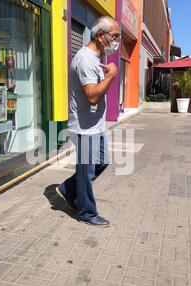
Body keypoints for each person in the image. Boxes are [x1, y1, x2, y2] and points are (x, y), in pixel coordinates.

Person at [56, 16, 120, 227]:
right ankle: (87, 212)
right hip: (84, 127)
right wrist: (111, 76)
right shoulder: (85, 59)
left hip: (95, 125)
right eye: (115, 36)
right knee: (86, 171)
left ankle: (68, 188)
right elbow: (92, 95)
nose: (117, 40)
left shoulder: (95, 57)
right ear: (101, 36)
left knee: (102, 161)